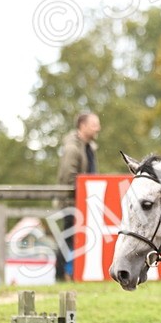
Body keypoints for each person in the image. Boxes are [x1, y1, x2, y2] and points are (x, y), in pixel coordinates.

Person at [55, 112, 101, 281]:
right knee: (68, 239)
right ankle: (60, 275)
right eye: (94, 124)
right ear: (83, 126)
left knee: (79, 238)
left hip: (84, 201)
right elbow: (69, 177)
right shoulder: (72, 148)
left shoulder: (89, 147)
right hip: (72, 202)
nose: (98, 128)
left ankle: (73, 275)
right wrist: (85, 190)